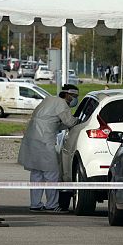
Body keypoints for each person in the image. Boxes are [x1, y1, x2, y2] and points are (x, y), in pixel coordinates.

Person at [18, 84, 81, 213]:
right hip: (44, 141)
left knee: (37, 173)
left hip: (33, 139)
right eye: (74, 96)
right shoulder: (62, 104)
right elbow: (69, 122)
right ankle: (52, 205)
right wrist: (78, 120)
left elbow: (52, 123)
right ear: (68, 95)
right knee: (51, 173)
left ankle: (35, 204)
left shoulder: (49, 100)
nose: (75, 99)